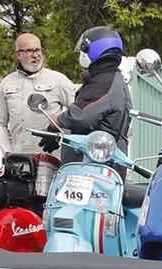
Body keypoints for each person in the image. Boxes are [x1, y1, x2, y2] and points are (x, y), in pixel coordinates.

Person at [39, 26, 131, 172]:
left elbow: (80, 116)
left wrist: (56, 121)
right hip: (102, 163)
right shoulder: (111, 78)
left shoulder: (103, 82)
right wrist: (60, 133)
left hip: (93, 168)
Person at [0, 33, 75, 155]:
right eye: (29, 51)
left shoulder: (58, 80)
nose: (35, 55)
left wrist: (59, 132)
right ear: (18, 54)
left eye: (38, 50)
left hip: (51, 157)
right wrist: (7, 152)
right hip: (18, 158)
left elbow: (77, 113)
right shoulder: (6, 83)